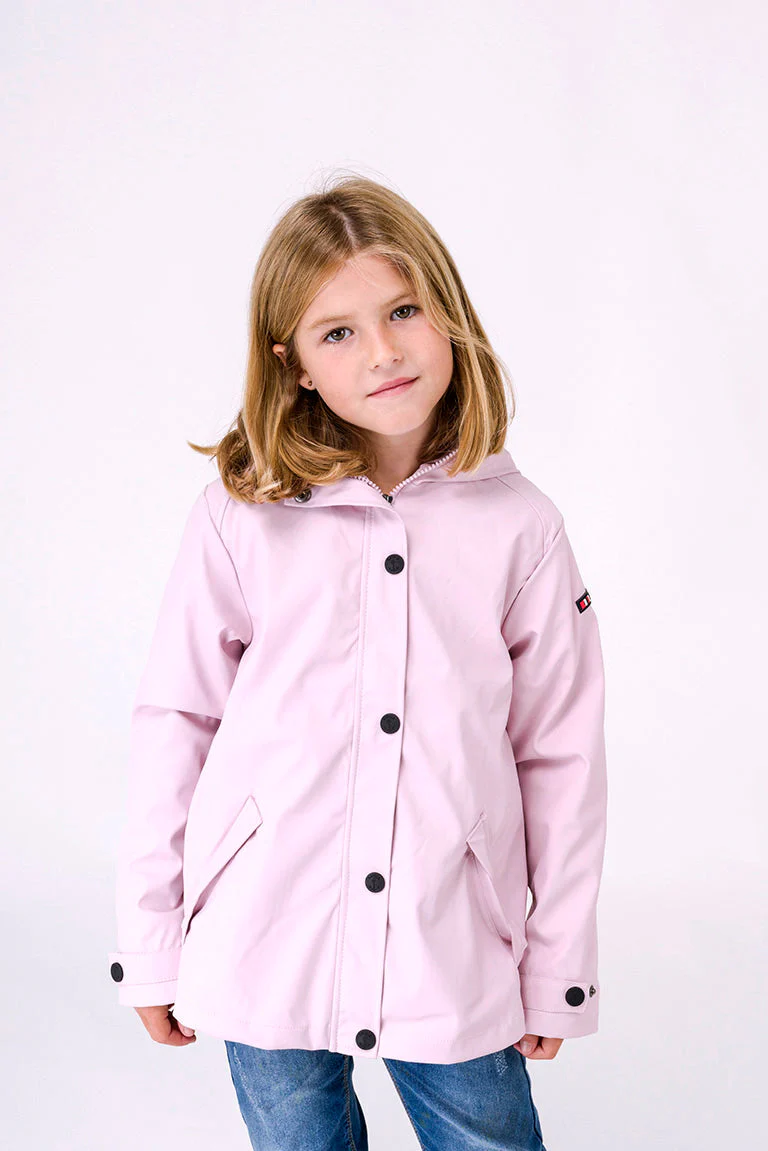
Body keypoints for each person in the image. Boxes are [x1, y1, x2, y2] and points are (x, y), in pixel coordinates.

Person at [108, 173, 608, 1150]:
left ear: (447, 312)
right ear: (291, 363)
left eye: (403, 311)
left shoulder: (523, 528)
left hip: (449, 934)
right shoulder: (242, 515)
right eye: (337, 332)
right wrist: (151, 935)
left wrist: (558, 963)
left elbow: (563, 757)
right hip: (265, 931)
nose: (382, 350)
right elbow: (176, 720)